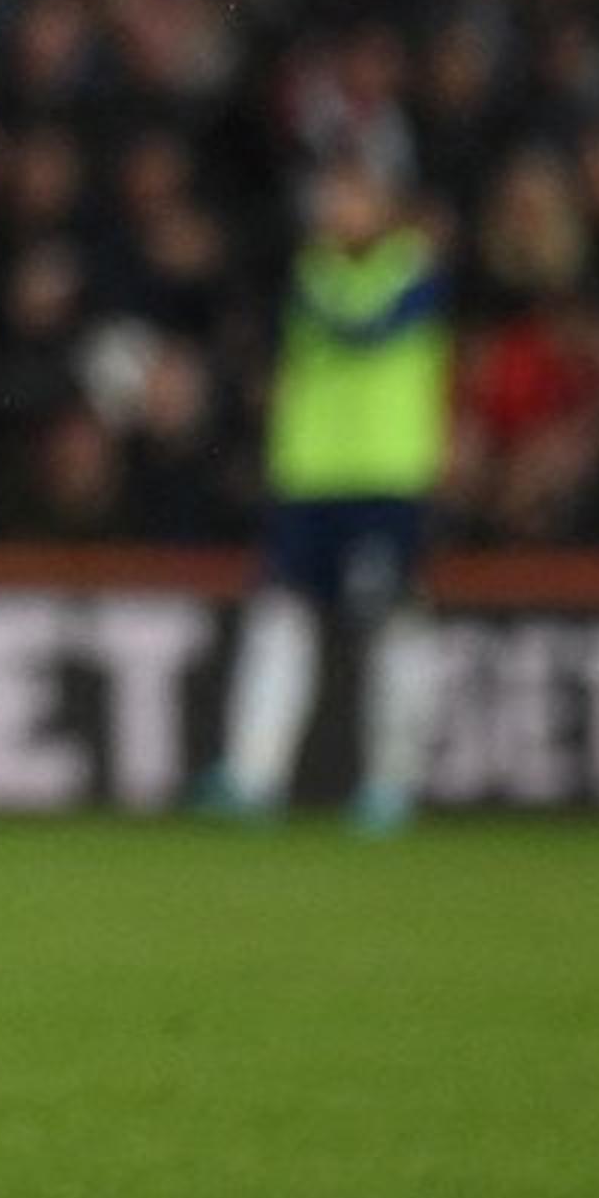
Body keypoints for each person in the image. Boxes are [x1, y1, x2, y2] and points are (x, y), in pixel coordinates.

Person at [190, 156, 452, 833]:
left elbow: (361, 329)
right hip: (310, 479)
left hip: (384, 480)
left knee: (391, 626)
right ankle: (253, 777)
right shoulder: (312, 273)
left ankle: (391, 784)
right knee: (281, 619)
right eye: (333, 196)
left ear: (385, 205)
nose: (337, 209)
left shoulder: (411, 273)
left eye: (353, 196)